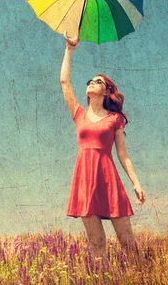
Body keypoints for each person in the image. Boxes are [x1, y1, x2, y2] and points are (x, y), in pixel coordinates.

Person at [60, 31, 145, 264]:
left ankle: (142, 276)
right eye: (90, 80)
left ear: (107, 91)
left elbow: (122, 155)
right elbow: (64, 82)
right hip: (85, 179)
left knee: (127, 240)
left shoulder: (114, 119)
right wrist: (69, 50)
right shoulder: (79, 115)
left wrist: (136, 183)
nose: (91, 83)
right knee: (96, 244)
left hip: (108, 178)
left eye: (98, 81)